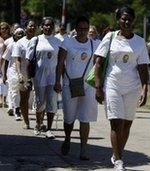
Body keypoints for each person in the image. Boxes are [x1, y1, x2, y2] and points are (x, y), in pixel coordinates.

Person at [94, 6, 149, 171]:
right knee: (116, 123)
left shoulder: (139, 41)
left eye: (129, 19)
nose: (126, 22)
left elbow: (143, 68)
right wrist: (98, 87)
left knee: (127, 124)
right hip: (112, 85)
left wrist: (145, 89)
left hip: (133, 88)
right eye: (123, 18)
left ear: (133, 20)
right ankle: (118, 160)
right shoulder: (110, 37)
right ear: (118, 20)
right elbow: (98, 62)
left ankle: (117, 154)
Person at [54, 16, 98, 160]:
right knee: (69, 118)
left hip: (87, 86)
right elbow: (60, 62)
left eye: (86, 29)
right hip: (69, 84)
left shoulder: (94, 44)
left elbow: (99, 64)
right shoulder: (67, 42)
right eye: (80, 29)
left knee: (85, 118)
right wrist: (57, 81)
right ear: (75, 29)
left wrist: (99, 85)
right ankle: (67, 138)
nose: (83, 32)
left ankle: (83, 149)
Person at [26, 17, 61, 139]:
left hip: (52, 77)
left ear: (53, 27)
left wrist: (58, 80)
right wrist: (29, 79)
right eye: (46, 25)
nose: (48, 27)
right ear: (42, 26)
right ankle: (38, 123)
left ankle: (49, 128)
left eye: (51, 25)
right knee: (40, 102)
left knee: (51, 102)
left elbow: (61, 63)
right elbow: (29, 61)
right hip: (39, 76)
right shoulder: (36, 40)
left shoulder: (58, 41)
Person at [12, 19, 37, 129]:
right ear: (26, 28)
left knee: (39, 99)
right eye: (30, 26)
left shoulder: (39, 40)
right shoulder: (19, 43)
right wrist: (19, 74)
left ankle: (40, 122)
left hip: (38, 73)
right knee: (24, 98)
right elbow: (17, 59)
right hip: (24, 74)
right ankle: (26, 121)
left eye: (34, 26)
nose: (32, 28)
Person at [2, 28, 25, 121]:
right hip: (13, 72)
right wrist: (4, 74)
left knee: (23, 92)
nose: (21, 35)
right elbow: (6, 60)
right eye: (19, 34)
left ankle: (23, 110)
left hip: (24, 72)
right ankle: (17, 111)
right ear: (14, 36)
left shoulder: (26, 45)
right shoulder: (11, 46)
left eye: (22, 34)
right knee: (15, 92)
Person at [0, 22, 11, 108]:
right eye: (2, 28)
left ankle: (5, 98)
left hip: (7, 60)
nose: (4, 30)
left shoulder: (11, 39)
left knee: (6, 79)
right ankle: (1, 98)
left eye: (6, 28)